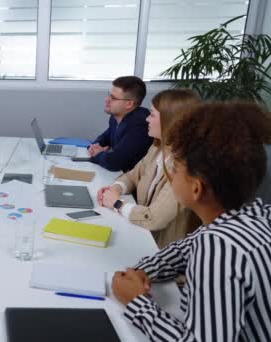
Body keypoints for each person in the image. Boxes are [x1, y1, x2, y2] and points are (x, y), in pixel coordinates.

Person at [112, 102, 271, 341]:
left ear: (196, 188)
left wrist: (136, 303)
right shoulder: (255, 214)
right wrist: (142, 270)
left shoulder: (220, 251)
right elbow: (184, 249)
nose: (170, 173)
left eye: (175, 168)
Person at [97, 89, 201, 248]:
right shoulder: (158, 147)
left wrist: (117, 204)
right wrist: (115, 188)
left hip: (161, 251)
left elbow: (154, 218)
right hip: (141, 233)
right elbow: (132, 176)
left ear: (171, 121)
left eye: (152, 115)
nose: (146, 119)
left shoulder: (186, 166)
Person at [88, 76, 153, 172]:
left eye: (113, 98)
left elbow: (114, 162)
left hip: (134, 182)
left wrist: (98, 154)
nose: (107, 100)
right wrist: (95, 146)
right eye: (109, 95)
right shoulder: (116, 117)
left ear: (129, 104)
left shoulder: (140, 125)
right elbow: (104, 139)